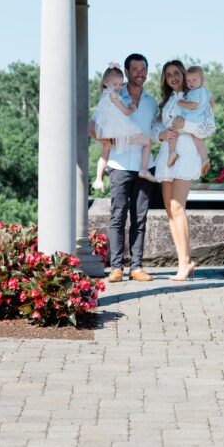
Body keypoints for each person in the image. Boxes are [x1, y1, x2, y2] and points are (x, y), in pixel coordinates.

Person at [99, 53, 158, 284]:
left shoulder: (152, 102)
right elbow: (96, 128)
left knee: (140, 217)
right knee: (118, 216)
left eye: (143, 69)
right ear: (126, 72)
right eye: (135, 69)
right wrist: (110, 140)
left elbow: (155, 130)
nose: (140, 73)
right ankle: (116, 268)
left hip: (145, 165)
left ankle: (137, 267)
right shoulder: (113, 96)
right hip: (119, 164)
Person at [153, 60, 214, 282]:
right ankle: (184, 261)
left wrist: (183, 126)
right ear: (165, 79)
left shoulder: (197, 98)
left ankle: (185, 262)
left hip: (186, 154)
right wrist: (161, 135)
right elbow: (155, 129)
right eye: (168, 75)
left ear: (184, 74)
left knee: (178, 207)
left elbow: (208, 128)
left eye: (177, 73)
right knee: (170, 210)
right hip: (166, 156)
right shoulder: (166, 101)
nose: (173, 77)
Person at [91, 64, 158, 186]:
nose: (118, 87)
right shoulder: (114, 96)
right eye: (115, 84)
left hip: (110, 133)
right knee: (147, 141)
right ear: (105, 82)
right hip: (119, 135)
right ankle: (144, 169)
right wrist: (131, 108)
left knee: (105, 153)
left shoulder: (104, 97)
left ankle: (98, 178)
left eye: (120, 84)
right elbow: (125, 111)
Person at [171, 64, 213, 178]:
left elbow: (193, 105)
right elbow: (211, 103)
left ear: (201, 80)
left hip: (191, 121)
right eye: (188, 80)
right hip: (201, 124)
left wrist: (182, 103)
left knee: (174, 128)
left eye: (194, 80)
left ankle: (172, 153)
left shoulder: (194, 92)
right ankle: (204, 160)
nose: (191, 82)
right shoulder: (206, 92)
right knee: (198, 141)